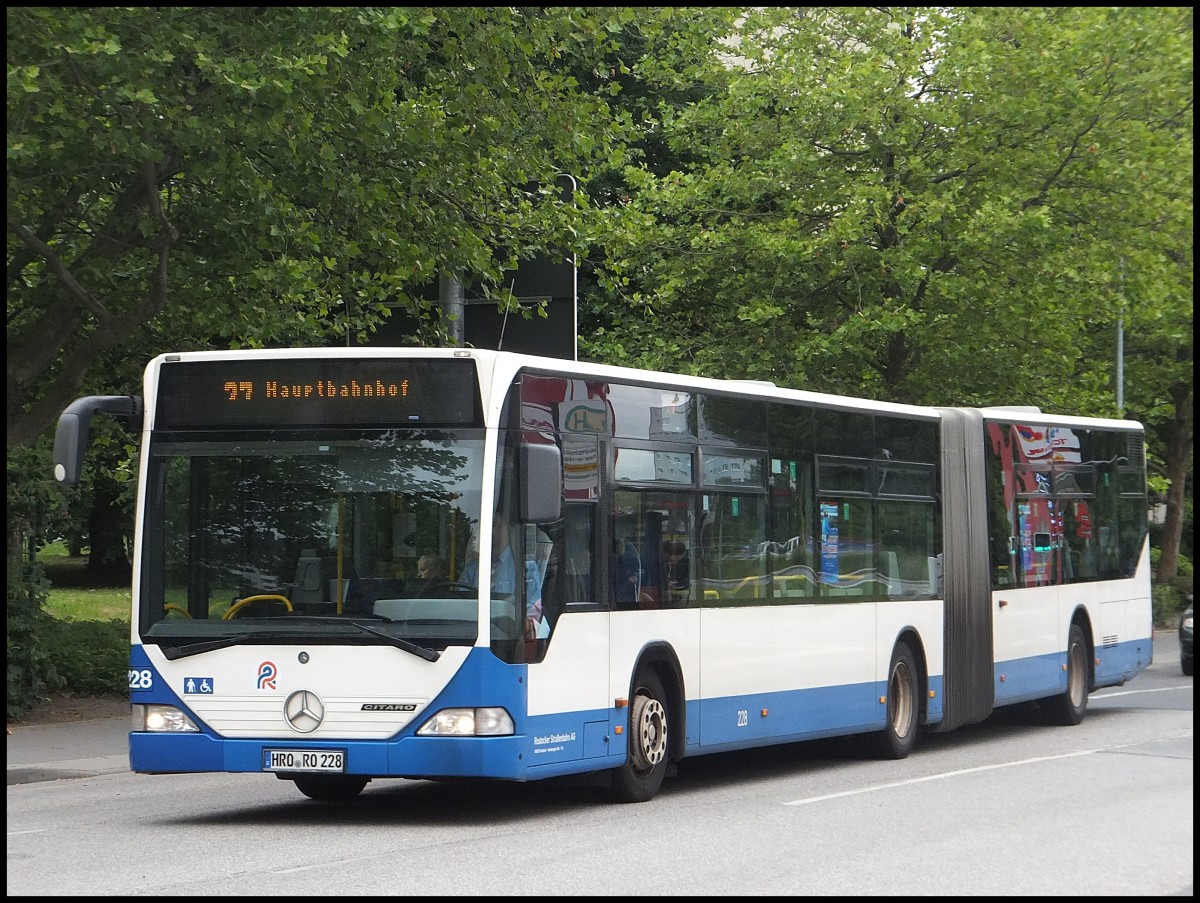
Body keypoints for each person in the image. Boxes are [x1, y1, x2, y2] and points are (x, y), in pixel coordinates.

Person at [460, 515, 547, 640]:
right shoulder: (472, 569)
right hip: (473, 635)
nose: (489, 530)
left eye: (495, 524)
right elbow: (460, 605)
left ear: (509, 528)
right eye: (485, 524)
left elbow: (533, 611)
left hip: (509, 639)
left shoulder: (524, 566)